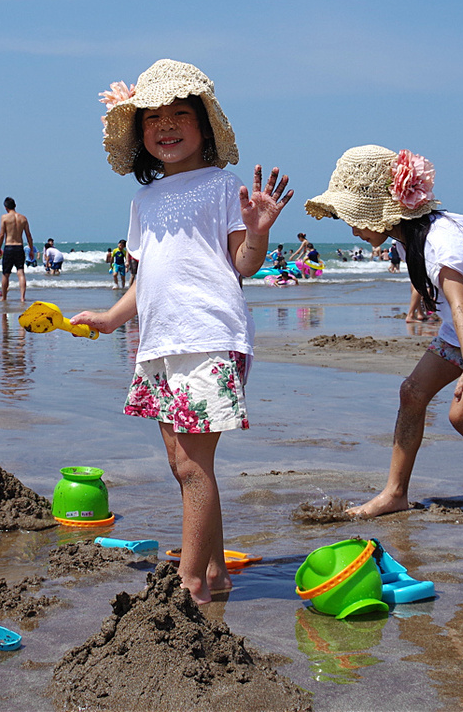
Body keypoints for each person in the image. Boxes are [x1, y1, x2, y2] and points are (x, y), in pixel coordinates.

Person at [70, 59, 292, 603]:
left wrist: (259, 232)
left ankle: (187, 587)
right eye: (154, 119)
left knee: (194, 466)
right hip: (160, 342)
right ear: (141, 135)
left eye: (180, 114)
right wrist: (110, 318)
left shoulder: (222, 185)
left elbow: (242, 264)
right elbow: (148, 276)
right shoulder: (144, 201)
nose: (166, 126)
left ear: (205, 127)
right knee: (180, 465)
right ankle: (213, 574)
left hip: (209, 335)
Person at [305, 145, 463, 526]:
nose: (352, 229)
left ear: (382, 211)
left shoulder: (440, 238)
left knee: (462, 414)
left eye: (355, 218)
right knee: (411, 392)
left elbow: (459, 303)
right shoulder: (407, 236)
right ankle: (395, 494)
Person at [0, 197, 34, 302]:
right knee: (21, 272)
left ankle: (4, 297)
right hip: (19, 247)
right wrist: (31, 249)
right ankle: (22, 298)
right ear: (15, 205)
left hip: (9, 247)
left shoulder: (4, 217)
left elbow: (1, 234)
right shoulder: (23, 218)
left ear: (5, 207)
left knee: (6, 274)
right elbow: (28, 235)